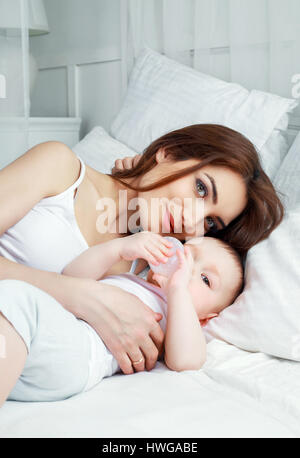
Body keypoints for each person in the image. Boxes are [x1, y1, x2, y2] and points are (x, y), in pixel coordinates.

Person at [0, 124, 283, 382]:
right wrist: (80, 296)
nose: (192, 220)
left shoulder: (151, 271)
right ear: (168, 152)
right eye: (200, 188)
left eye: (210, 222)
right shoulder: (60, 168)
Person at [0, 232, 243, 404]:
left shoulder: (178, 315)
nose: (187, 269)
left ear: (205, 319)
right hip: (34, 348)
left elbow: (187, 360)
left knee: (16, 298)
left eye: (205, 279)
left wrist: (178, 290)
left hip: (79, 353)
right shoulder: (132, 278)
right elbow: (71, 277)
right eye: (188, 255)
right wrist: (118, 249)